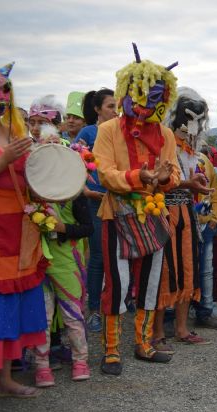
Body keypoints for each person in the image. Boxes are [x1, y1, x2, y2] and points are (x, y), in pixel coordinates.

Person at [93, 45, 182, 375]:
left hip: (155, 215)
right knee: (116, 283)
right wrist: (138, 176)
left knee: (150, 282)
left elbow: (174, 172)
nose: (147, 104)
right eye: (141, 95)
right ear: (128, 92)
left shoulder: (166, 134)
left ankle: (143, 343)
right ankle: (111, 349)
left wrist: (164, 178)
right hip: (116, 214)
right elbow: (103, 173)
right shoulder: (108, 130)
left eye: (155, 97)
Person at [151, 87, 217, 355]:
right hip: (165, 214)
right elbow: (159, 178)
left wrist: (195, 184)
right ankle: (157, 332)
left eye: (197, 120)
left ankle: (180, 328)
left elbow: (189, 180)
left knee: (187, 270)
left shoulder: (193, 148)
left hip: (187, 214)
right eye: (188, 118)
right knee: (164, 272)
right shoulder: (163, 141)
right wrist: (187, 184)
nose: (191, 125)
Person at [0, 61, 48, 398]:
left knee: (11, 306)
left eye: (4, 93)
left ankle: (5, 379)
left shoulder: (11, 131)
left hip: (19, 228)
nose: (1, 99)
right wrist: (3, 159)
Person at [33, 191, 93, 386]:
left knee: (74, 316)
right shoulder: (32, 192)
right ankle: (41, 366)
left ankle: (80, 361)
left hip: (67, 264)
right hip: (37, 263)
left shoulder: (74, 194)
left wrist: (62, 228)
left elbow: (88, 228)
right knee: (43, 317)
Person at [75, 88, 117, 333]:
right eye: (110, 106)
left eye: (117, 106)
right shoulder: (88, 132)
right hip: (96, 202)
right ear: (97, 109)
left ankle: (121, 302)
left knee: (121, 254)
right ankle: (93, 310)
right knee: (99, 257)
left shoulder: (121, 133)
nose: (115, 111)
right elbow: (75, 165)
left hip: (120, 201)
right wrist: (87, 191)